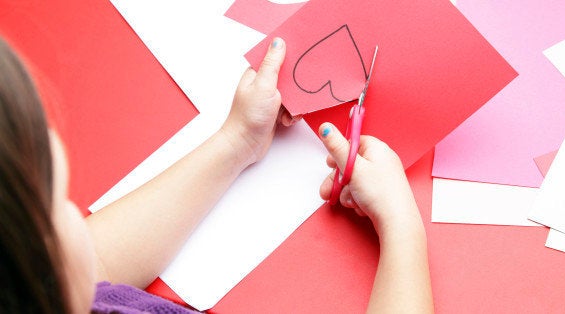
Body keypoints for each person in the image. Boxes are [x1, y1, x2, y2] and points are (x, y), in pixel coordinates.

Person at [0, 35, 433, 313]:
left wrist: (238, 140)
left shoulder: (50, 288)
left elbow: (90, 266)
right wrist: (402, 228)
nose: (80, 221)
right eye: (58, 204)